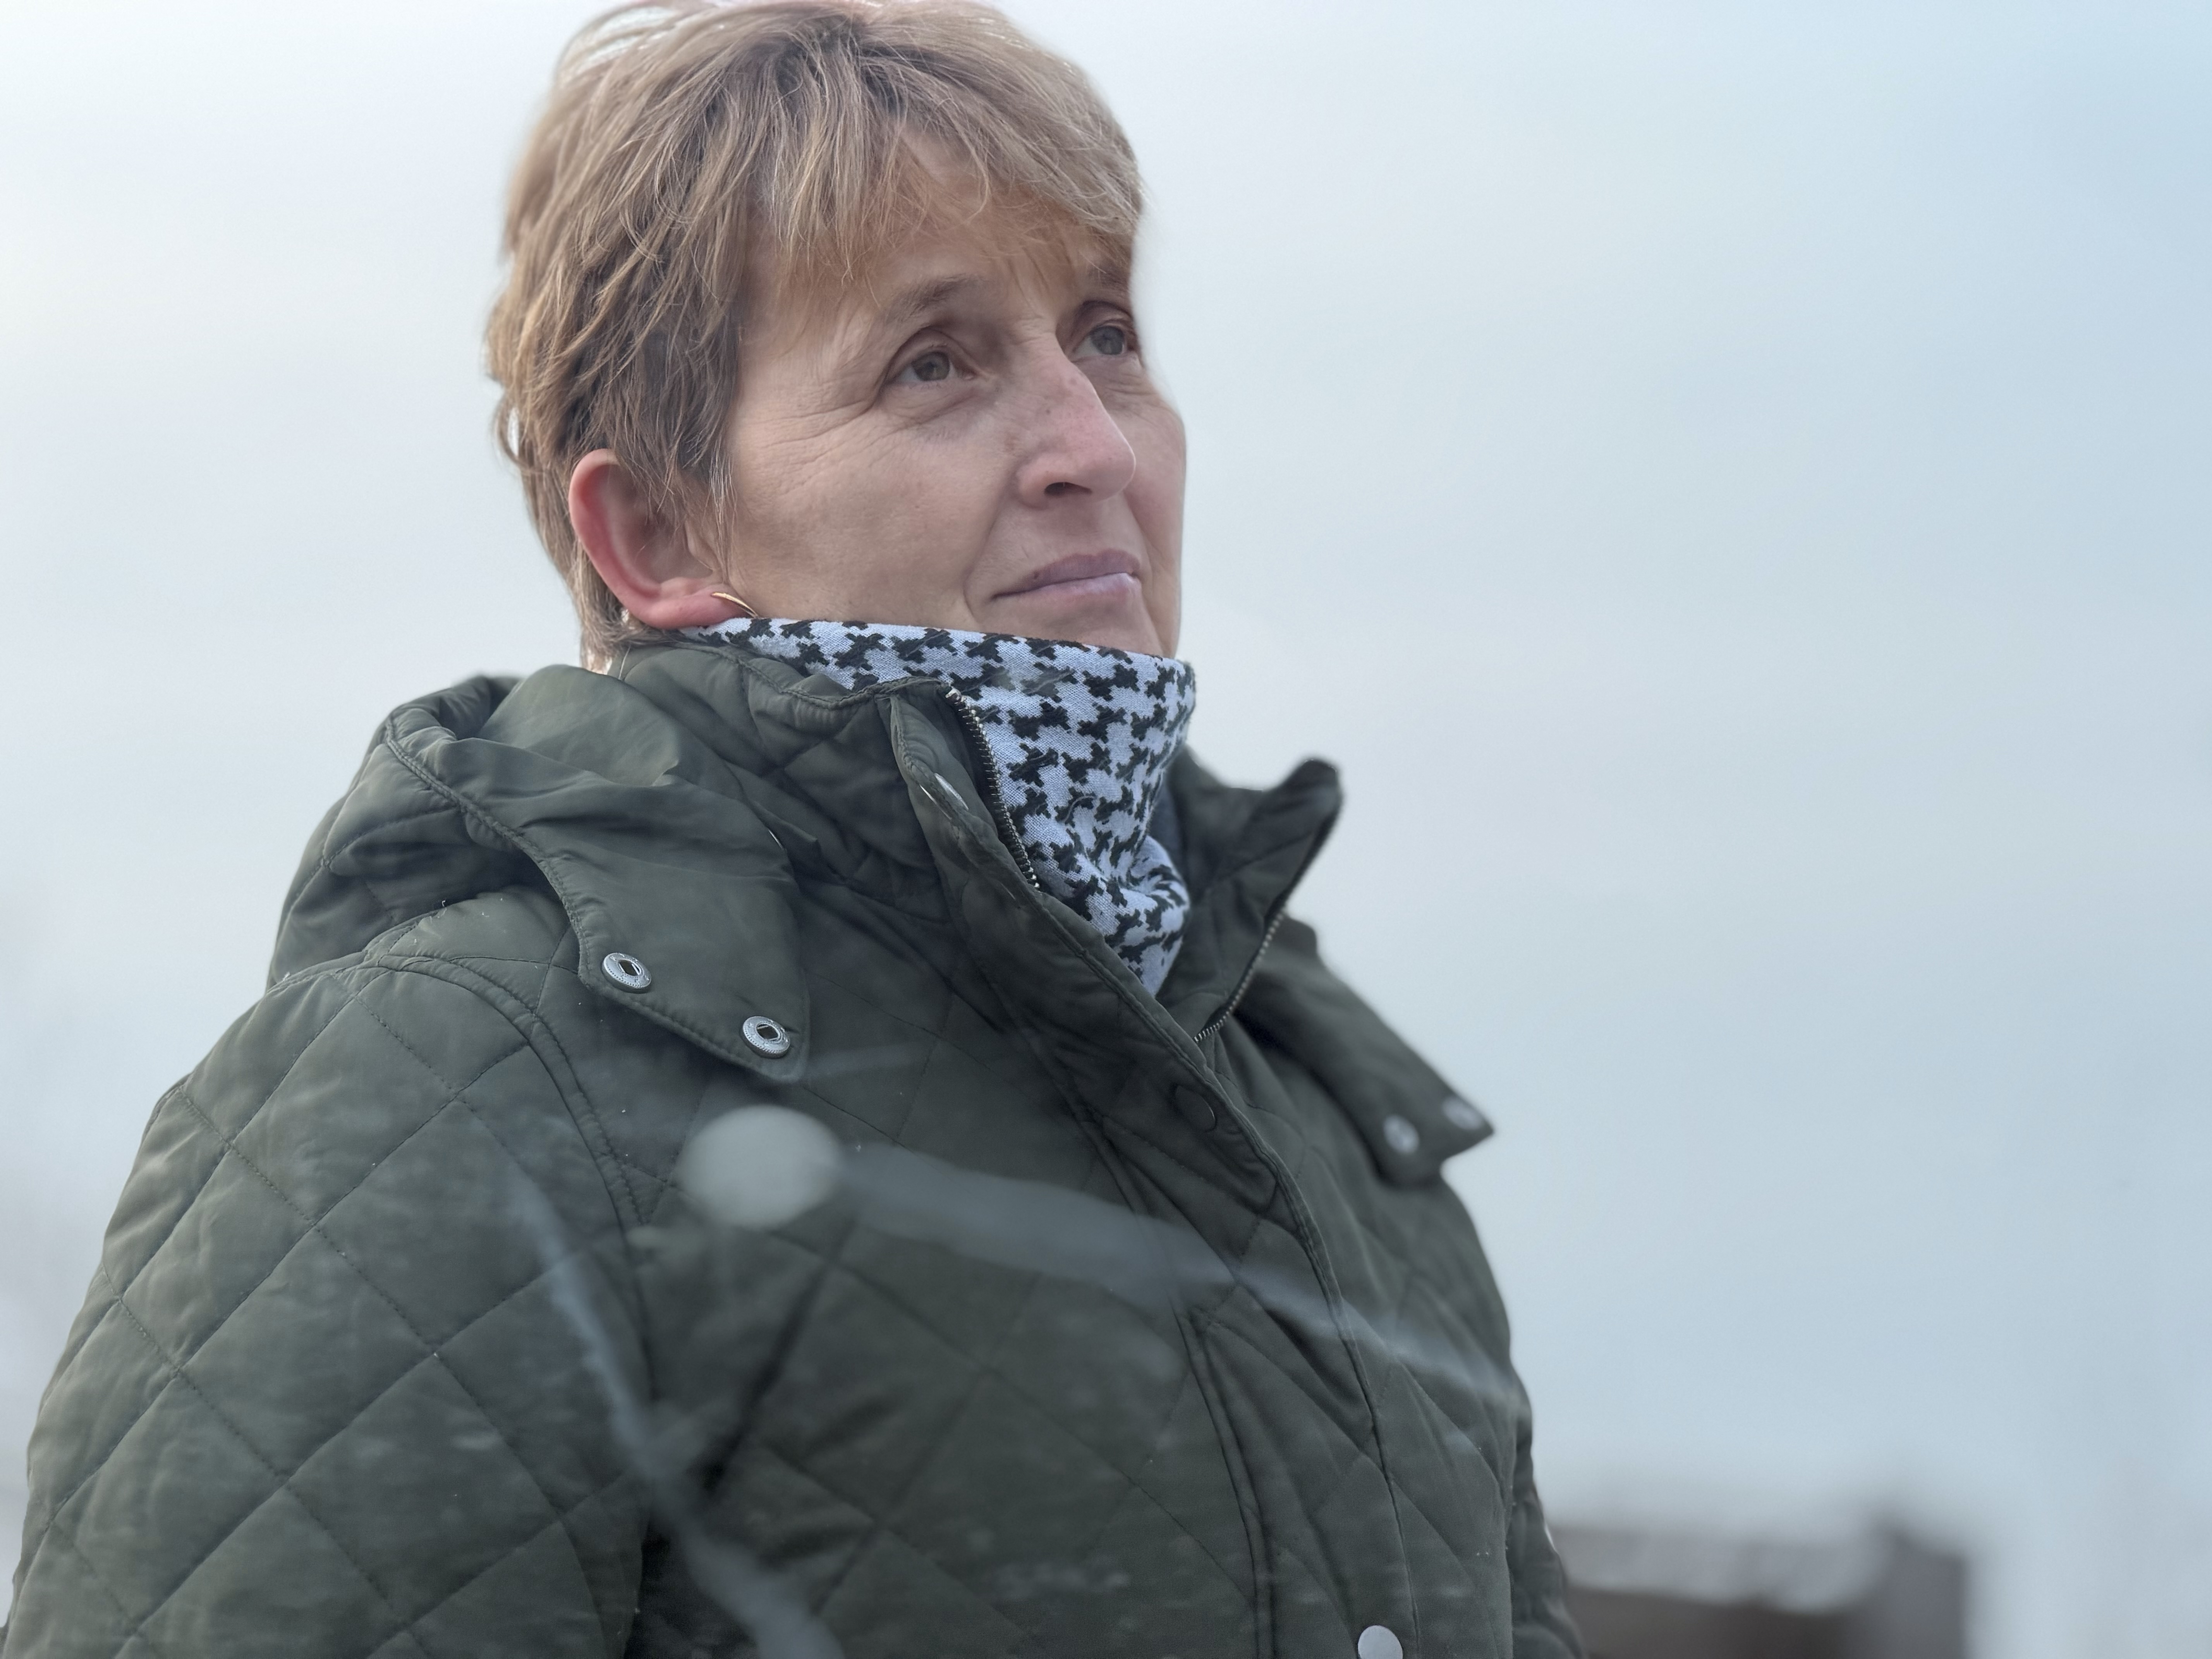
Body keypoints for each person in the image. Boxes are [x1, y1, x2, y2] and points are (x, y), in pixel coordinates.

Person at [3, 4, 1583, 1655]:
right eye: (934, 363)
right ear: (656, 531)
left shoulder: (1318, 1105)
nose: (1095, 444)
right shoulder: (450, 1086)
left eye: (1106, 334)